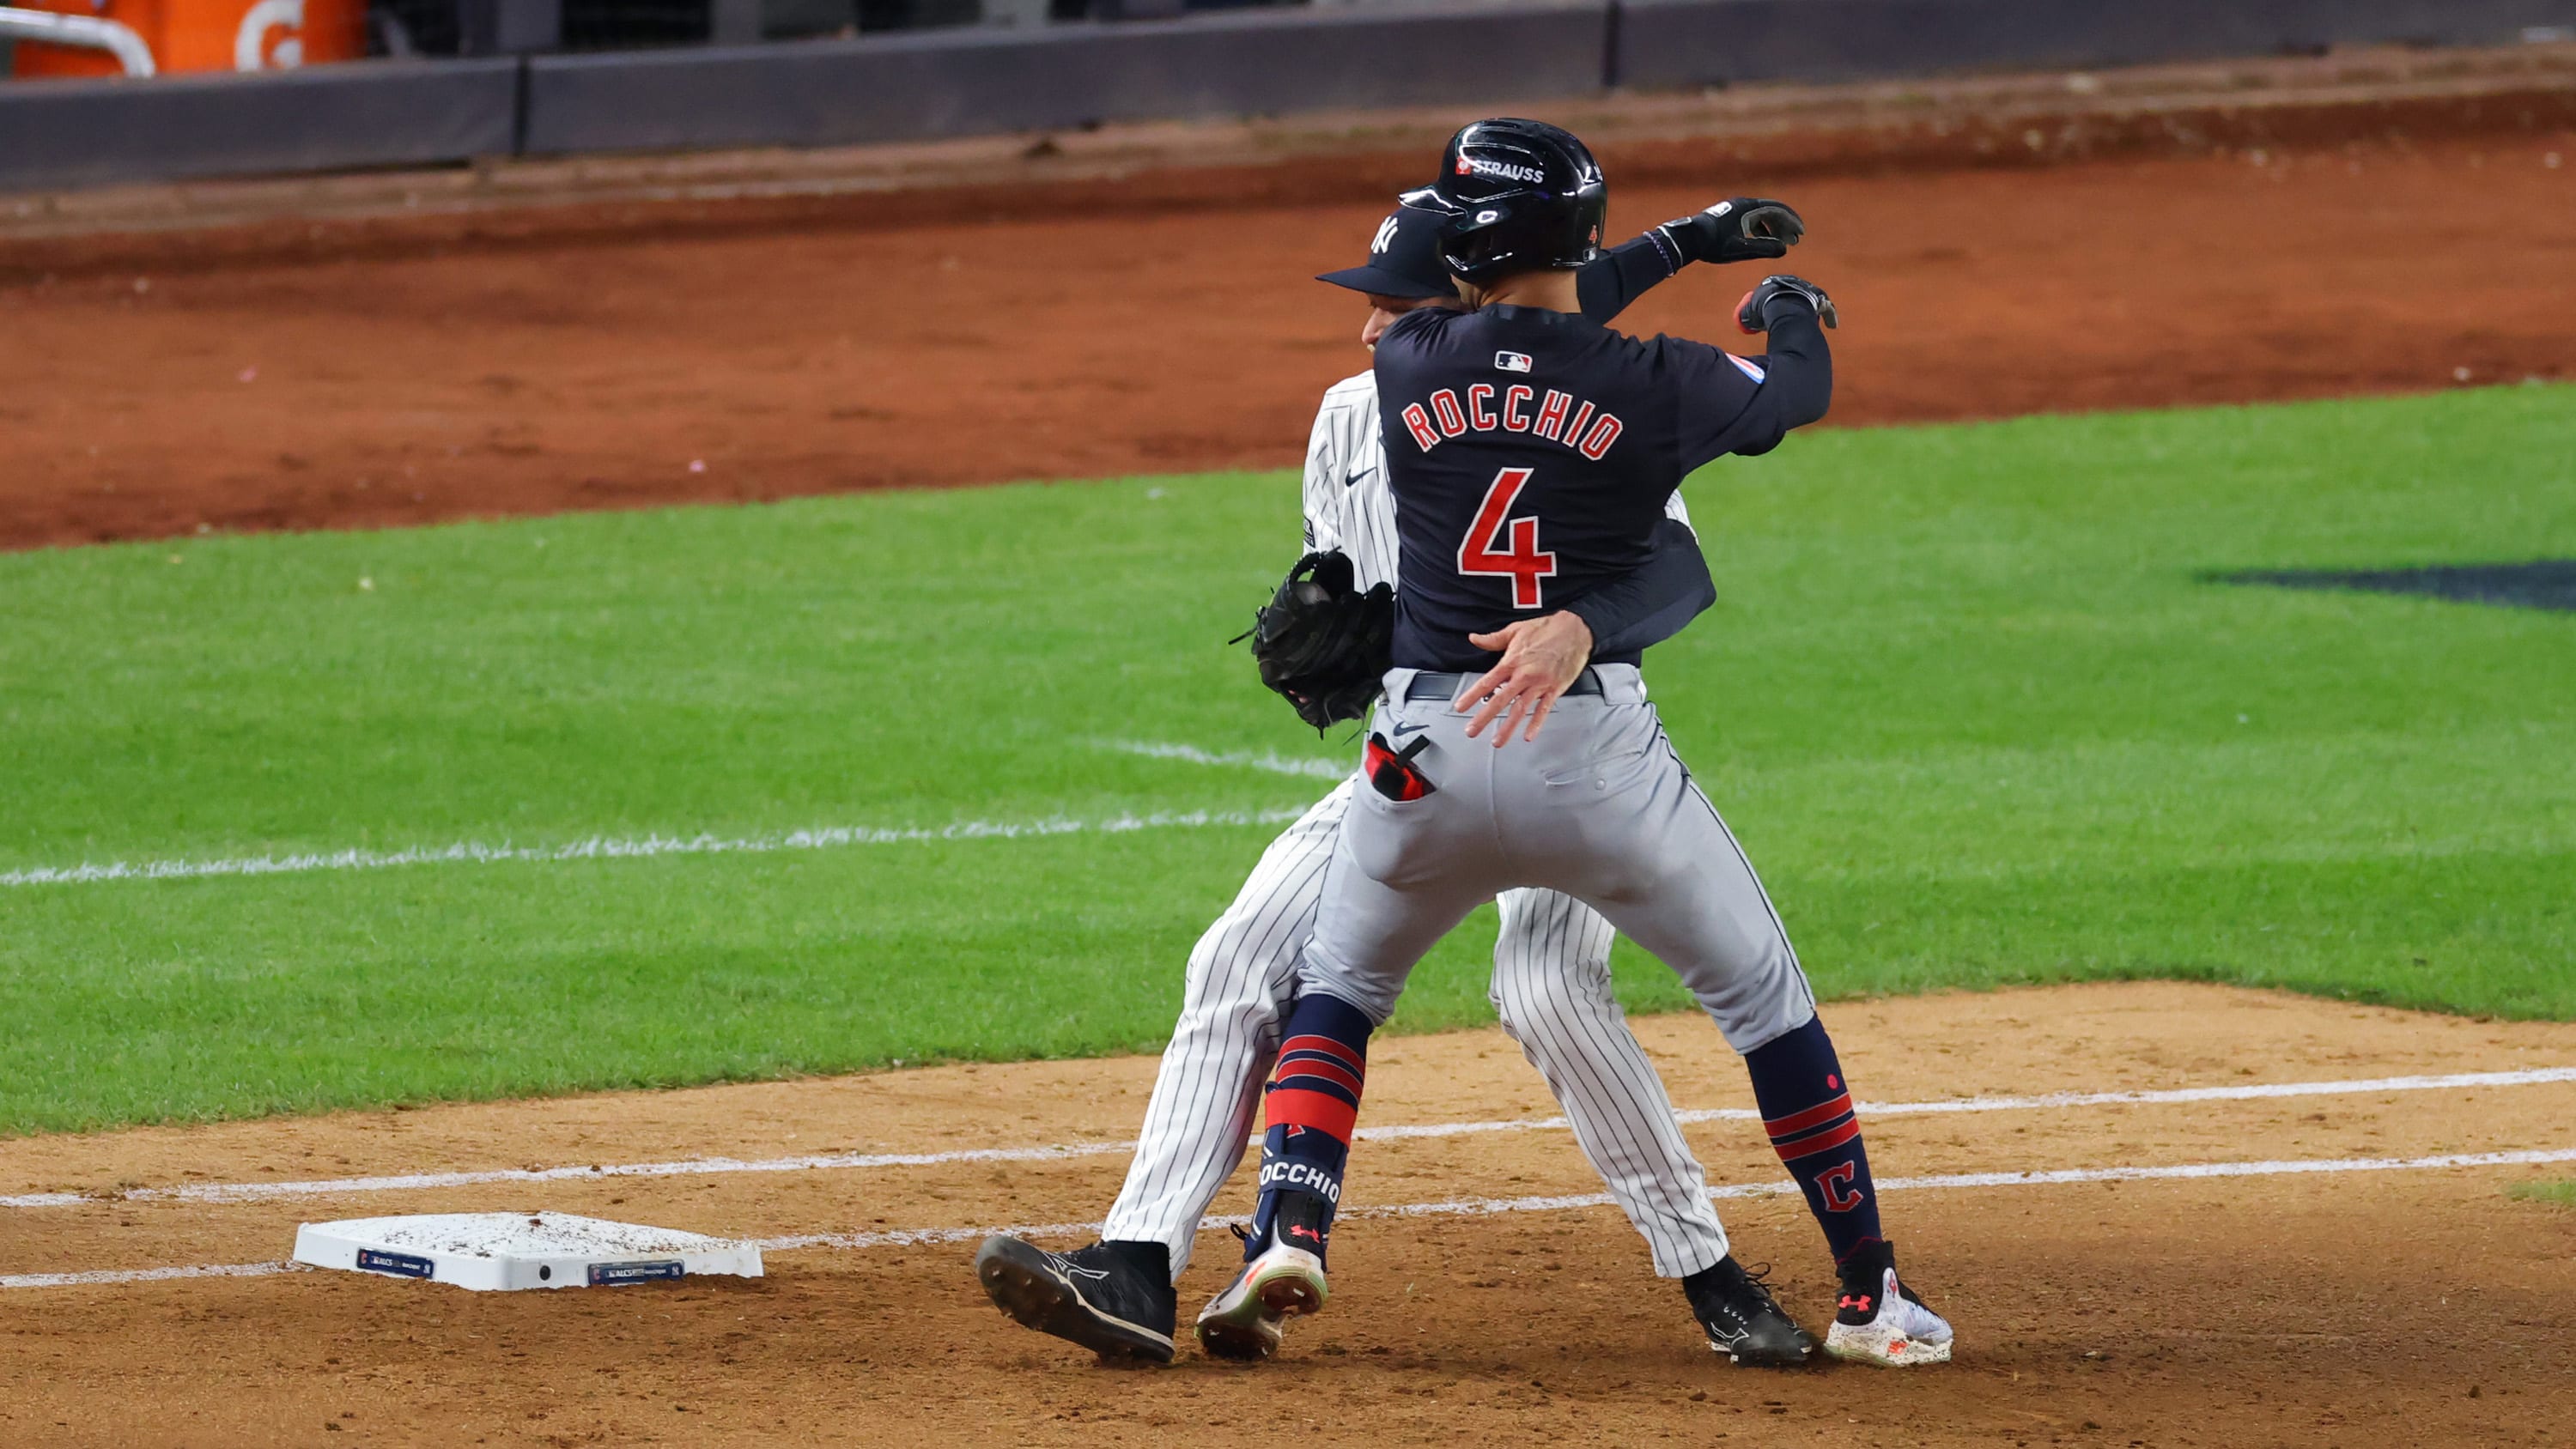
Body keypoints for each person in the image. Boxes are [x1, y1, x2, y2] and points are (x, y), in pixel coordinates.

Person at [975, 190, 1807, 1365]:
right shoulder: (1342, 416)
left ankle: (1709, 1273)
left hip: (1571, 752)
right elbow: (1351, 589)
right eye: (1367, 304)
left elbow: (1674, 569)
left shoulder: (1588, 407)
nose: (1372, 328)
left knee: (1547, 989)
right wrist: (1337, 639)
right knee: (1237, 959)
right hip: (1413, 762)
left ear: (1466, 304)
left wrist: (1577, 628)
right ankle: (1137, 1265)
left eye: (1398, 304)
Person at [1195, 118, 1955, 1370]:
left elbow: (1532, 322)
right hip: (1591, 757)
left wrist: (1681, 243)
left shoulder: (1409, 362)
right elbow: (1789, 393)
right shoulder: (1656, 380)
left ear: (1464, 252)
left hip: (1422, 753)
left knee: (1337, 992)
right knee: (1766, 1008)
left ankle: (1291, 1227)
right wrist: (1786, 307)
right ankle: (1872, 1295)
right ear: (1579, 234)